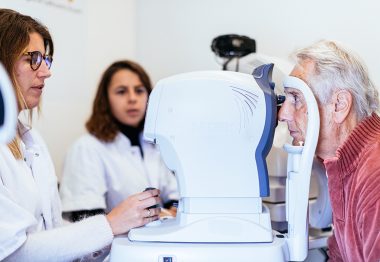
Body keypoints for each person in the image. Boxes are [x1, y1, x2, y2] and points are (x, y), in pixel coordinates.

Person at [0, 8, 161, 261]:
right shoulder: (86, 148)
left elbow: (53, 234)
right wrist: (109, 224)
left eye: (45, 60)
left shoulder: (34, 143)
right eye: (33, 59)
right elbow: (14, 253)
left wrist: (115, 232)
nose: (45, 72)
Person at [278, 40, 380, 261]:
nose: (282, 115)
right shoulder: (342, 164)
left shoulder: (375, 176)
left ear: (339, 105)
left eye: (295, 98)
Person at [59, 60, 178, 221]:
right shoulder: (86, 148)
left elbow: (176, 199)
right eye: (121, 91)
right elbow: (84, 218)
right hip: (112, 245)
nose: (132, 98)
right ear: (105, 99)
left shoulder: (155, 145)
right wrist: (162, 215)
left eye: (139, 90)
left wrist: (171, 211)